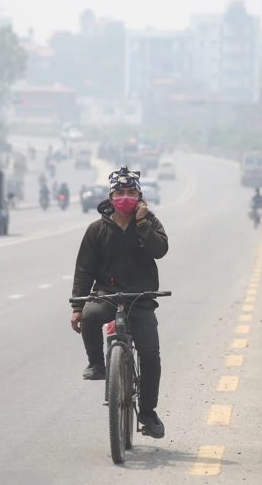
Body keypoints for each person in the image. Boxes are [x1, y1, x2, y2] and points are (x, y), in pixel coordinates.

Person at [69, 166, 168, 439]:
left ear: (140, 196)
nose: (126, 197)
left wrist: (143, 223)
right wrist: (77, 308)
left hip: (141, 298)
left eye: (131, 192)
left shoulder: (150, 223)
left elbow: (160, 250)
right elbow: (84, 270)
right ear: (111, 197)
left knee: (150, 356)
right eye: (120, 193)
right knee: (90, 317)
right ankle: (97, 365)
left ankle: (147, 412)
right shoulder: (96, 230)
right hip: (107, 296)